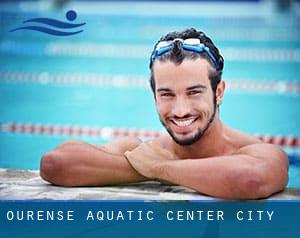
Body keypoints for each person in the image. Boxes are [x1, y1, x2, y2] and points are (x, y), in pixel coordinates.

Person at [40, 28, 288, 199]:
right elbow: (56, 164)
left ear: (219, 91)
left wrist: (161, 168)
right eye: (167, 94)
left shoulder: (255, 151)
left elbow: (249, 180)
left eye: (194, 93)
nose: (180, 111)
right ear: (154, 95)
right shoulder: (141, 149)